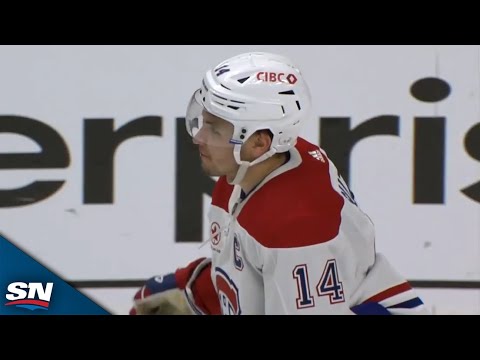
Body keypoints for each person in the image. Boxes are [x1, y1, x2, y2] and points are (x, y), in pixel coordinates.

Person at [129, 52, 428, 315]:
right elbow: (247, 266)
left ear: (259, 142)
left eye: (214, 129)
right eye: (203, 121)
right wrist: (195, 290)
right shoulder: (249, 170)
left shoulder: (297, 227)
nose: (199, 138)